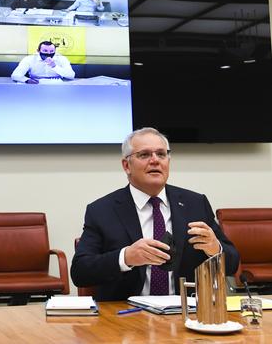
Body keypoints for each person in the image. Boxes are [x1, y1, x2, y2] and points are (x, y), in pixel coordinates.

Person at [70, 127, 239, 301]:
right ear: (126, 165)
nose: (155, 160)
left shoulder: (195, 204)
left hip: (186, 313)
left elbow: (233, 264)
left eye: (161, 154)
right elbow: (80, 272)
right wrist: (126, 257)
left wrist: (215, 249)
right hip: (127, 316)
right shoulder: (102, 210)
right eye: (144, 155)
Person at [10, 41, 75, 84]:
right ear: (38, 51)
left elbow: (71, 76)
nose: (49, 53)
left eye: (51, 51)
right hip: (35, 83)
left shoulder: (62, 59)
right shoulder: (29, 59)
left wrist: (54, 66)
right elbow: (15, 75)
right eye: (45, 51)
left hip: (56, 83)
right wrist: (27, 80)